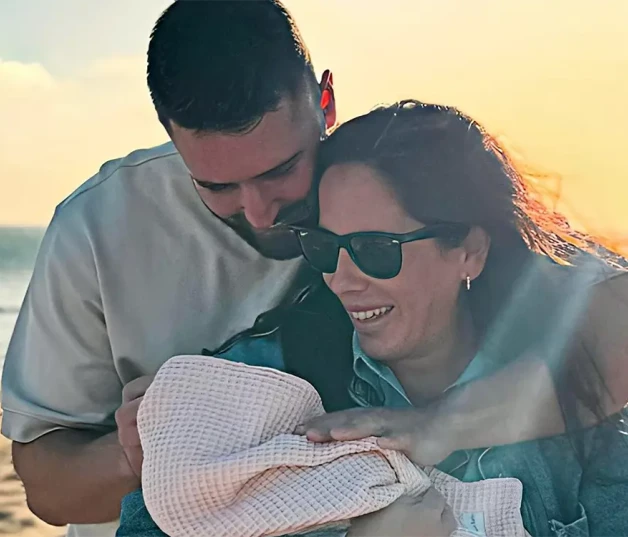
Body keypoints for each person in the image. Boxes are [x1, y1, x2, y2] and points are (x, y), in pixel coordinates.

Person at [0, 0, 620, 535]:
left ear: (324, 103)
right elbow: (46, 489)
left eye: (279, 172)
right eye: (216, 187)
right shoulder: (98, 229)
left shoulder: (373, 173)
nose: (262, 213)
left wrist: (439, 425)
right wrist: (144, 451)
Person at [294, 101, 628, 535]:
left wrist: (439, 425)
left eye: (375, 249)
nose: (340, 280)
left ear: (470, 251)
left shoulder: (587, 417)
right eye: (323, 247)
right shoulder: (284, 390)